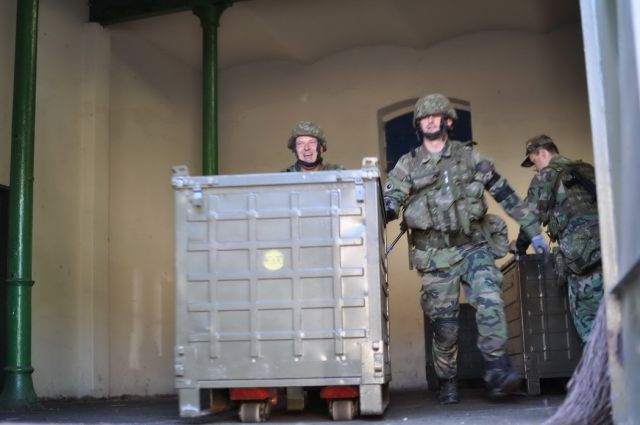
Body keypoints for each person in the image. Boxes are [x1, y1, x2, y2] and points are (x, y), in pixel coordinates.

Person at [382, 94, 548, 404]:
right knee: (445, 326)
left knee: (490, 298)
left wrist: (533, 231)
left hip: (473, 245)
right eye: (424, 118)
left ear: (447, 121)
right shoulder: (408, 163)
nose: (430, 121)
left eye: (435, 116)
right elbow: (391, 197)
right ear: (418, 124)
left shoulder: (470, 157)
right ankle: (447, 380)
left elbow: (504, 193)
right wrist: (388, 208)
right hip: (435, 255)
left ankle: (497, 370)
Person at [515, 134, 603, 343]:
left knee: (590, 326)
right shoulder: (588, 169)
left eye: (533, 161)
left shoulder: (546, 176)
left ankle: (602, 363)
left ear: (541, 153)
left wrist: (520, 246)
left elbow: (529, 218)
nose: (535, 168)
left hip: (583, 259)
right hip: (612, 251)